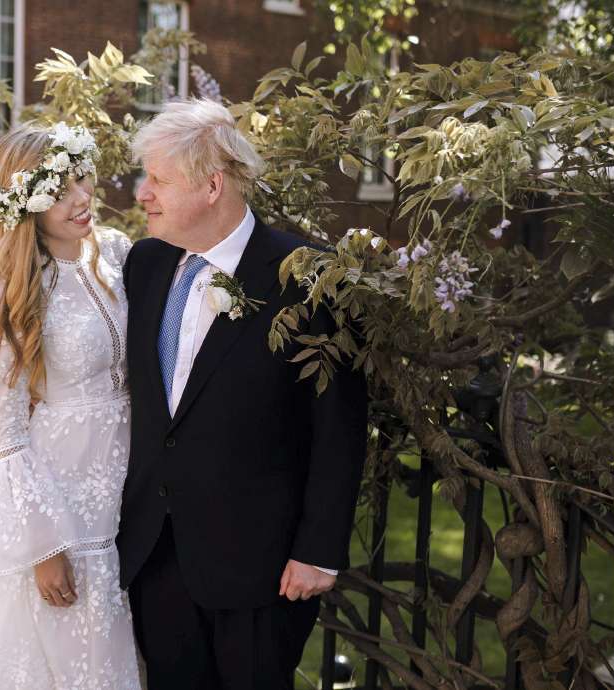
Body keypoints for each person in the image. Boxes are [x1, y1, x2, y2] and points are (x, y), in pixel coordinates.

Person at [117, 99, 369, 690]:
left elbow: (339, 424)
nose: (141, 193)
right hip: (158, 552)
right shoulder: (146, 263)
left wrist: (319, 550)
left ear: (212, 185)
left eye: (157, 179)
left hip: (263, 567)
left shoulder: (306, 276)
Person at [0, 122, 141, 690]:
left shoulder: (118, 253)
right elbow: (9, 429)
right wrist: (45, 546)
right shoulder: (14, 286)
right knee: (74, 663)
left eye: (82, 180)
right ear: (28, 203)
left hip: (129, 482)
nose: (82, 197)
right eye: (61, 189)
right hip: (61, 499)